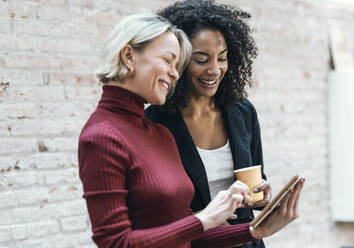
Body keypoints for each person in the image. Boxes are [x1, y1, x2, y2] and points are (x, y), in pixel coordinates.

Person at [78, 13, 305, 248]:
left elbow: (187, 231)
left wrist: (254, 231)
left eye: (177, 65)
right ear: (128, 56)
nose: (176, 73)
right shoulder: (101, 137)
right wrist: (205, 218)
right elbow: (115, 243)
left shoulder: (158, 134)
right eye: (168, 61)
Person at [145, 1, 271, 247]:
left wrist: (262, 196)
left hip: (247, 242)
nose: (215, 70)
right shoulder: (154, 124)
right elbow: (154, 209)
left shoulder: (242, 112)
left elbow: (256, 179)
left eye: (222, 58)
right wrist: (204, 220)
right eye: (201, 60)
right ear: (177, 60)